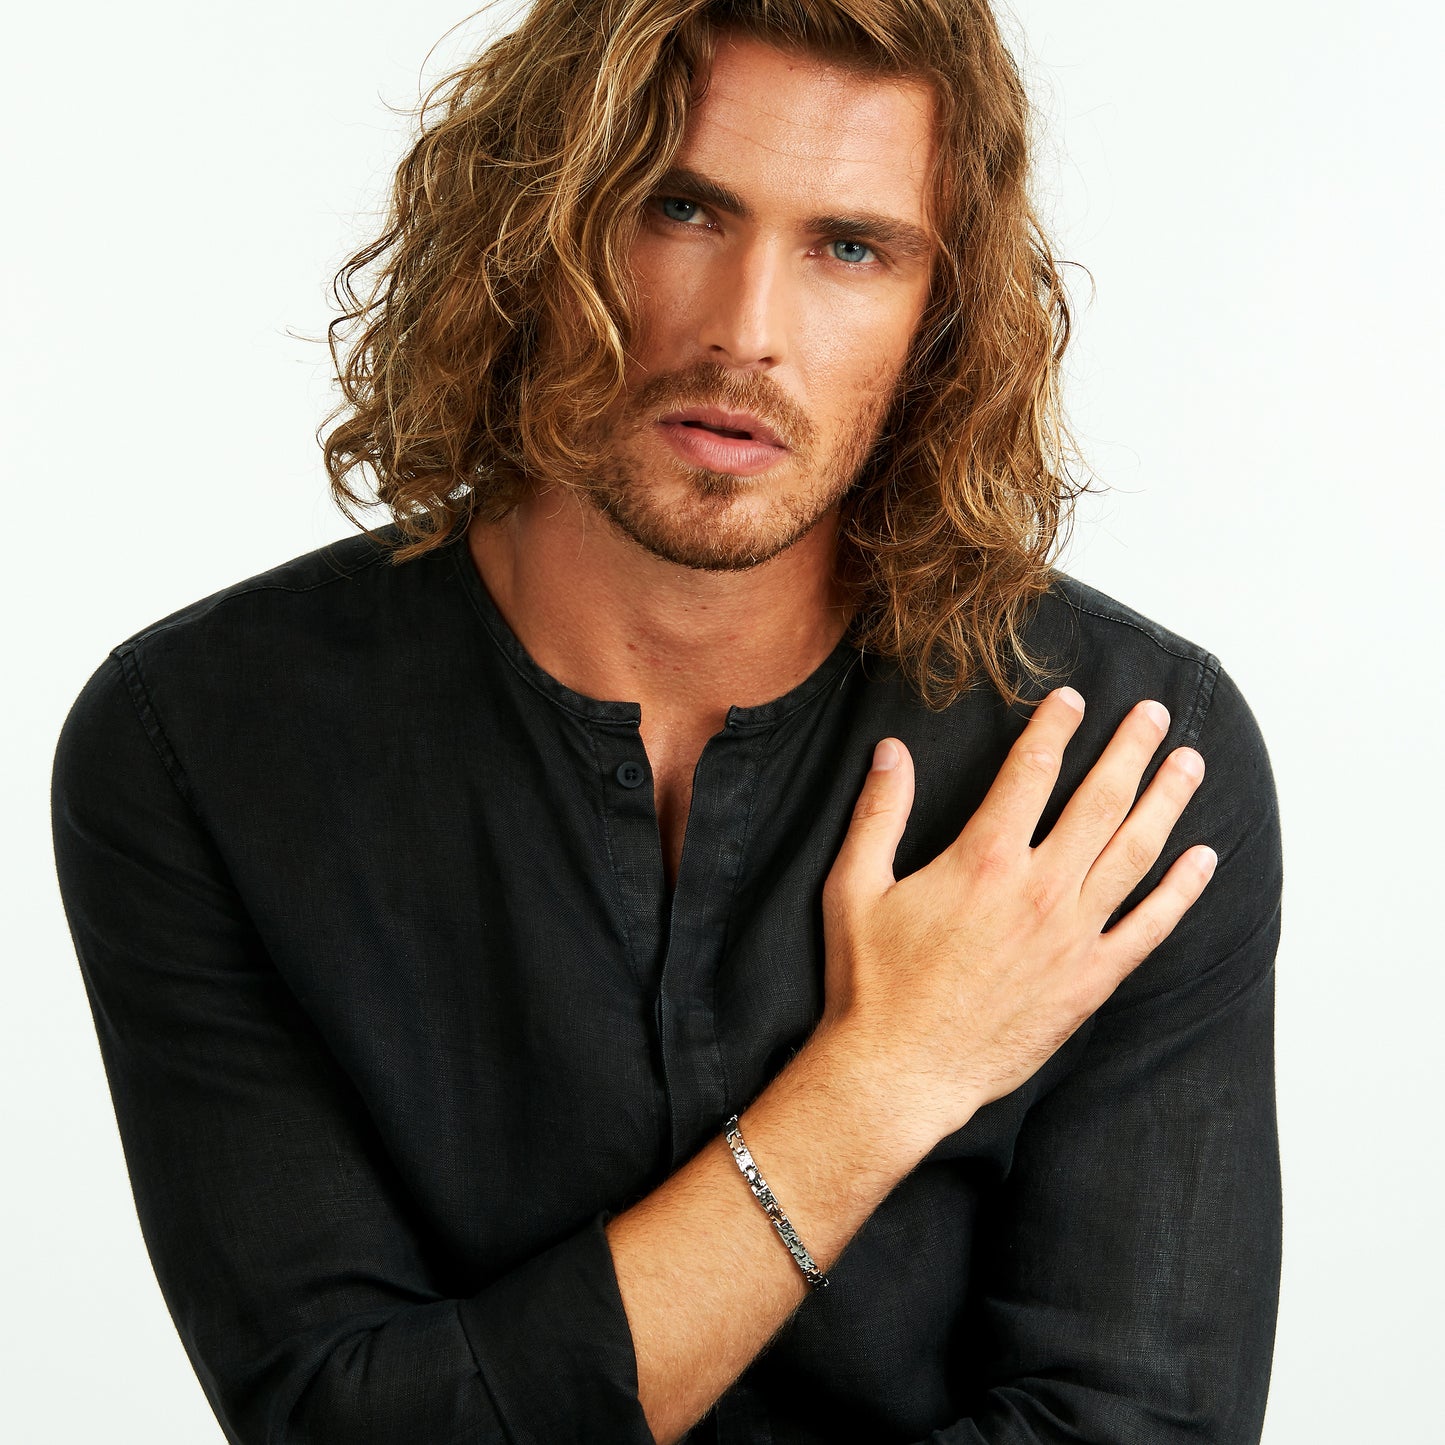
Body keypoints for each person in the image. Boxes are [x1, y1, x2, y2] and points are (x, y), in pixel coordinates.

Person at [50, 2, 1283, 1443]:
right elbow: (344, 1418)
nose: (746, 332)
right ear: (531, 226)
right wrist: (879, 1084)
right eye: (680, 208)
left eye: (850, 247)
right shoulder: (203, 742)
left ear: (939, 319)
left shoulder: (1121, 761)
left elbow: (1135, 1426)